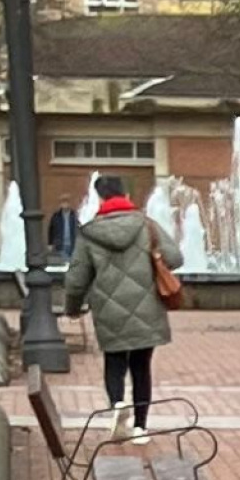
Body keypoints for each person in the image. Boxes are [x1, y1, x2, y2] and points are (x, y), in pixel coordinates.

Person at [58, 174, 175, 437]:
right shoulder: (147, 225)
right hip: (147, 308)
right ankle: (140, 428)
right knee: (141, 368)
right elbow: (175, 257)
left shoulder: (89, 233)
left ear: (100, 198)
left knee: (115, 362)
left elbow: (75, 280)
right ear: (126, 195)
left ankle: (117, 405)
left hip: (108, 311)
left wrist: (73, 307)